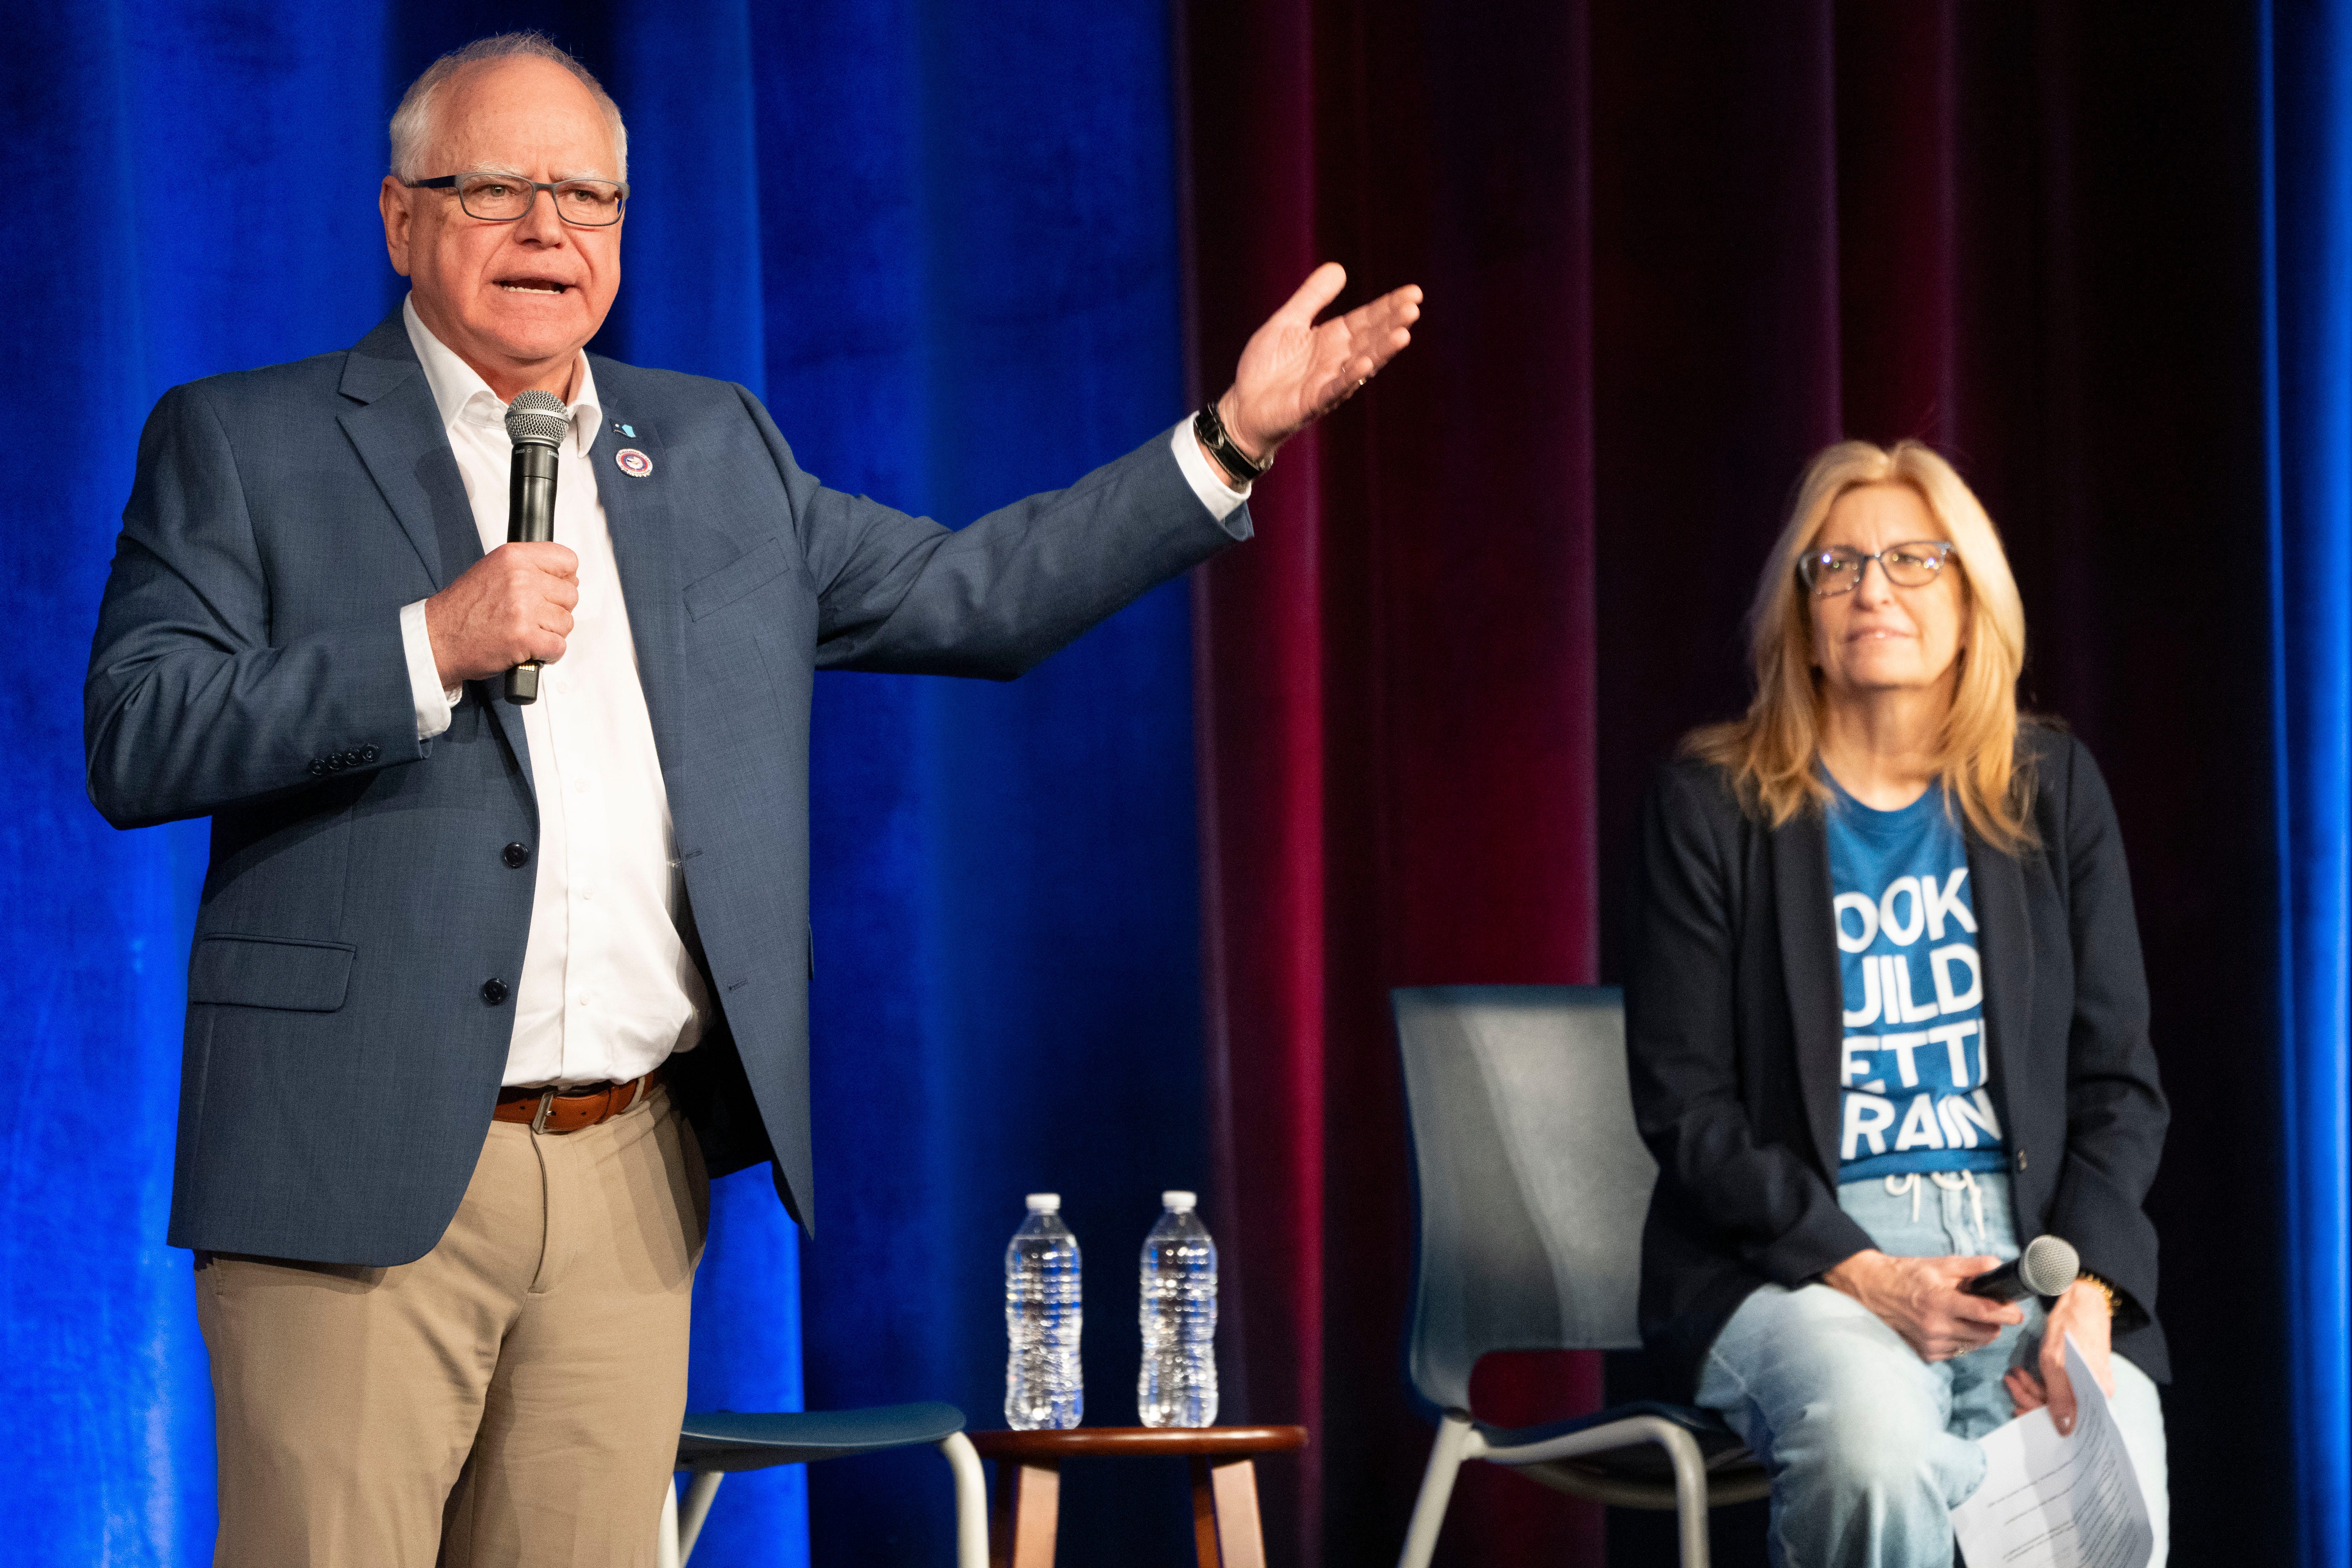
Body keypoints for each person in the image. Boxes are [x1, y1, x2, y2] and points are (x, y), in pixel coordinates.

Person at [82, 32, 1421, 1568]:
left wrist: (1228, 441)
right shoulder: (243, 440)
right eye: (498, 190)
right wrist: (427, 645)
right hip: (345, 1175)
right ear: (401, 219)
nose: (547, 233)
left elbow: (972, 596)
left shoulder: (713, 451)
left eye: (585, 198)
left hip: (625, 1179)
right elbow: (138, 734)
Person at [1624, 439, 2170, 1566]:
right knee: (1877, 1448)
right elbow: (1687, 1109)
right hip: (1800, 1266)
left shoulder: (2048, 791)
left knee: (2117, 1455)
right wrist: (1868, 1272)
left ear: (1972, 607)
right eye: (1837, 566)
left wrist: (2092, 1289)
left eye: (1915, 561)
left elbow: (2116, 1080)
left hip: (2032, 1257)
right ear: (1804, 618)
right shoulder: (1713, 805)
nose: (1873, 586)